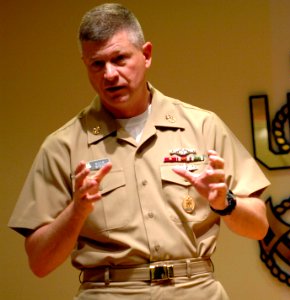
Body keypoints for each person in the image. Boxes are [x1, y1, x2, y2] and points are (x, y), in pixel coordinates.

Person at [8, 3, 270, 299]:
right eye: (97, 64)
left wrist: (226, 203)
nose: (109, 74)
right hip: (109, 291)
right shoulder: (64, 145)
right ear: (85, 65)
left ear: (146, 55)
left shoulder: (202, 126)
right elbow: (39, 263)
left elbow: (259, 227)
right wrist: (76, 211)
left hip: (194, 289)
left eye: (119, 59)